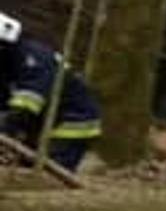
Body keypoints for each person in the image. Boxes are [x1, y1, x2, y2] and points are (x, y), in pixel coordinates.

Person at [0, 11, 102, 171]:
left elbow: (28, 101)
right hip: (41, 123)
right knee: (24, 170)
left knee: (48, 177)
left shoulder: (34, 57)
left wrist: (7, 128)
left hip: (72, 123)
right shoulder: (8, 63)